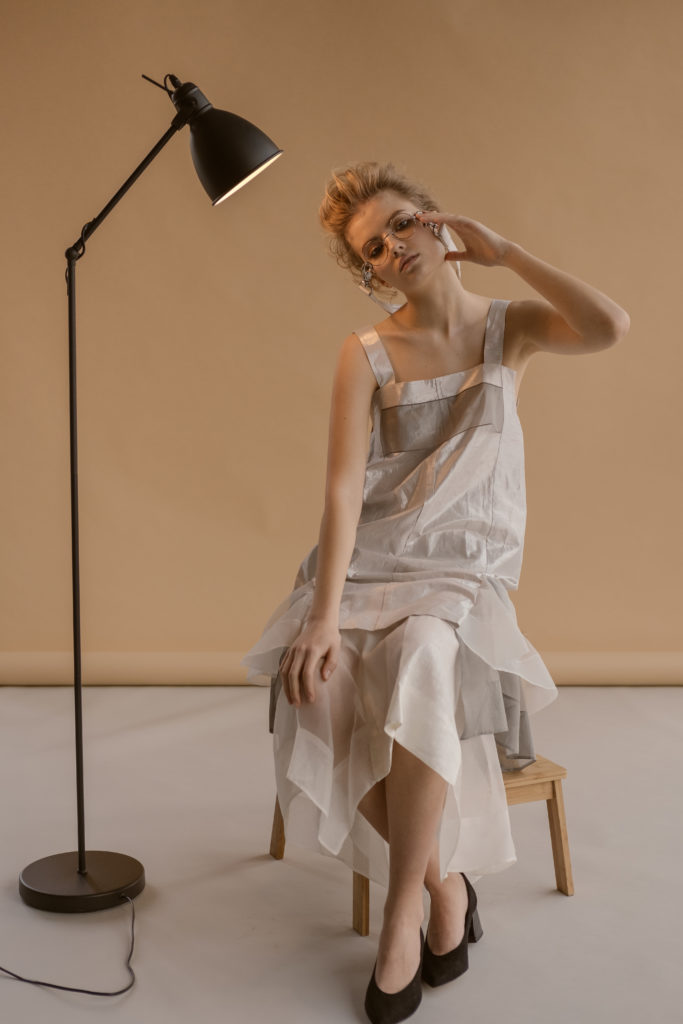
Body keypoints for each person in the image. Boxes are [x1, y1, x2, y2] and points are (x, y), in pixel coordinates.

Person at [242, 162, 629, 1024]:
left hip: (459, 569)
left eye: (400, 224)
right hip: (367, 561)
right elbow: (343, 491)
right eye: (372, 250)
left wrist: (509, 252)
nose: (393, 249)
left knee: (420, 655)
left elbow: (609, 326)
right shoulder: (365, 352)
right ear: (368, 272)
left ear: (433, 220)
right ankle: (444, 886)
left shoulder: (507, 328)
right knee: (317, 681)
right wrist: (320, 616)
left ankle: (399, 919)